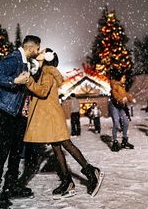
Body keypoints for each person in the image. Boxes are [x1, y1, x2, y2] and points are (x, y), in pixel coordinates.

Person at [24, 48, 104, 199]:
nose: (38, 54)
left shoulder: (47, 72)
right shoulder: (45, 72)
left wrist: (27, 80)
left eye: (41, 53)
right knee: (57, 148)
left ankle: (91, 171)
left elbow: (42, 92)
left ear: (47, 58)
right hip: (51, 116)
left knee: (66, 144)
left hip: (53, 117)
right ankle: (68, 182)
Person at [0, 35, 41, 209]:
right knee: (5, 147)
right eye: (37, 49)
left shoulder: (25, 62)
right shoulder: (13, 58)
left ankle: (11, 186)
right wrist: (14, 81)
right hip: (3, 110)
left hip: (14, 112)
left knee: (16, 148)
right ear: (31, 48)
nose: (38, 52)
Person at [109, 73, 136, 152]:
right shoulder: (114, 85)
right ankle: (115, 142)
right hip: (114, 106)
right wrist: (120, 99)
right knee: (116, 124)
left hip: (121, 106)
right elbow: (115, 95)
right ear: (119, 78)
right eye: (123, 77)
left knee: (125, 122)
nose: (125, 79)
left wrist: (130, 98)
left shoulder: (122, 86)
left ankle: (124, 141)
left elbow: (125, 94)